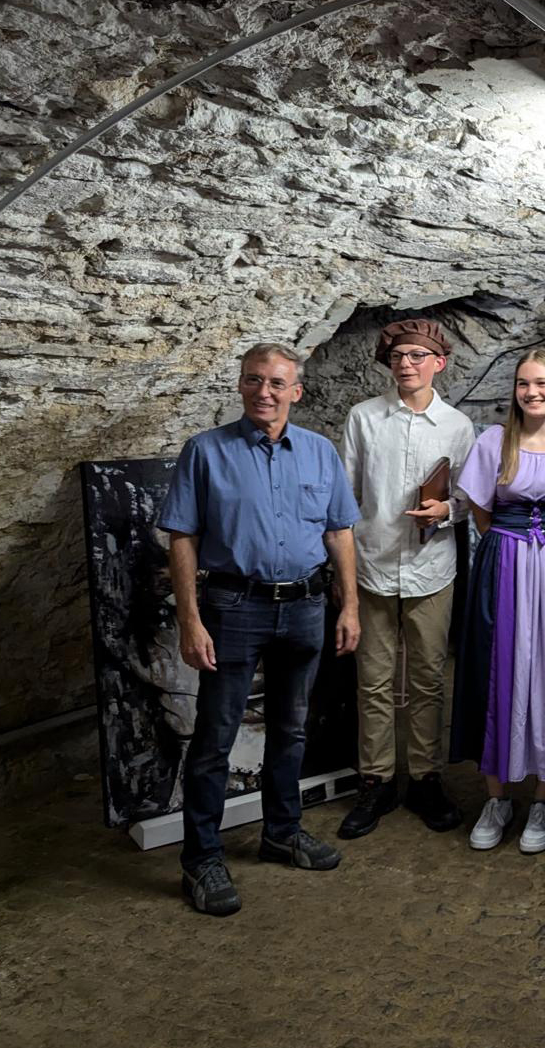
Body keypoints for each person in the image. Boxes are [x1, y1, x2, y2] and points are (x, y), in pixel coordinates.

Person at [159, 342, 361, 917]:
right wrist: (190, 618)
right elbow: (182, 537)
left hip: (305, 607)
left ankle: (282, 832)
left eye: (276, 383)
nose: (263, 393)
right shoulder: (205, 451)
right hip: (234, 608)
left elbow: (339, 531)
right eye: (253, 380)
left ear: (296, 391)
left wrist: (350, 606)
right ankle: (201, 859)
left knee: (291, 730)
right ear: (241, 385)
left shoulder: (319, 452)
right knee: (215, 739)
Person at [337, 319, 476, 840]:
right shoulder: (363, 418)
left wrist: (447, 510)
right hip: (372, 566)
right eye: (398, 356)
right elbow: (345, 496)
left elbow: (469, 498)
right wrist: (343, 573)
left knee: (428, 679)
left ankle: (424, 778)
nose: (406, 364)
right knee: (372, 680)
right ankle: (376, 781)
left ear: (439, 363)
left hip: (431, 569)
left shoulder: (458, 426)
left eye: (418, 355)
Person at [449, 349, 545, 853]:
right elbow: (482, 512)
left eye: (542, 383)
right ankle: (497, 797)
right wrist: (510, 546)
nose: (532, 392)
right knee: (498, 668)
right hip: (504, 565)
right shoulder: (495, 440)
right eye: (523, 383)